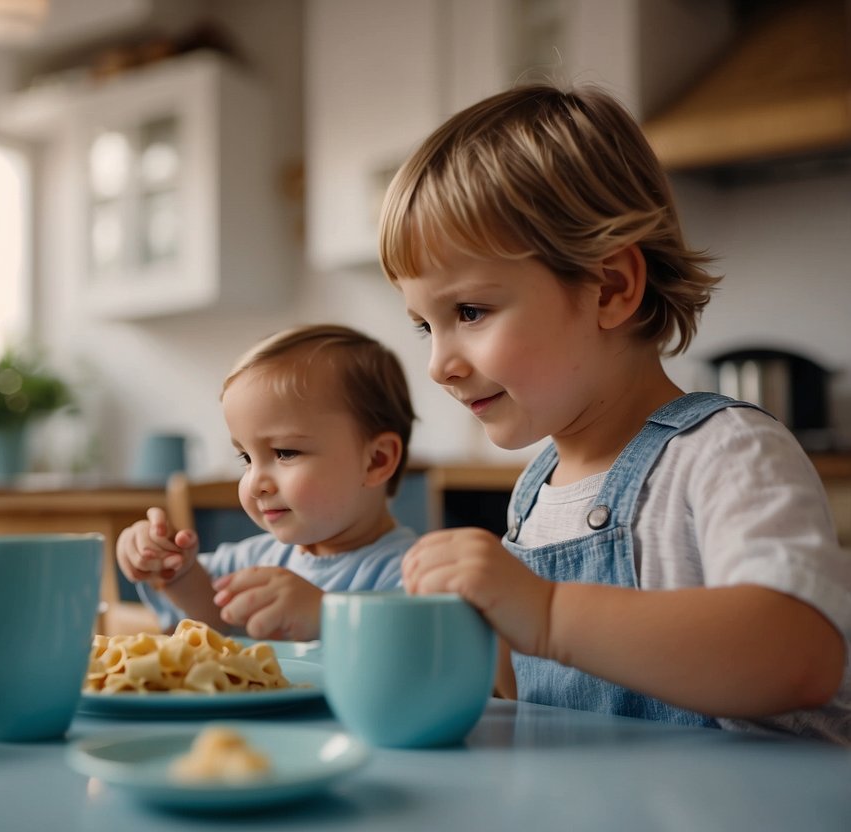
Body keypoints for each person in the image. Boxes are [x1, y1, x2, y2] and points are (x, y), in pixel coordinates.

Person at [377, 82, 851, 742]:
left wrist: (544, 612)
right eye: (426, 327)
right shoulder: (534, 489)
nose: (438, 364)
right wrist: (485, 630)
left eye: (469, 312)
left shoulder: (725, 453)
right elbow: (539, 692)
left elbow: (799, 655)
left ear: (610, 288)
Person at [117, 323, 418, 641]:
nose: (256, 483)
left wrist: (327, 615)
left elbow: (411, 648)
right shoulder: (252, 561)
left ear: (376, 460)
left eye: (285, 452)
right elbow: (213, 618)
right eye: (246, 458)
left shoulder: (410, 573)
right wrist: (173, 569)